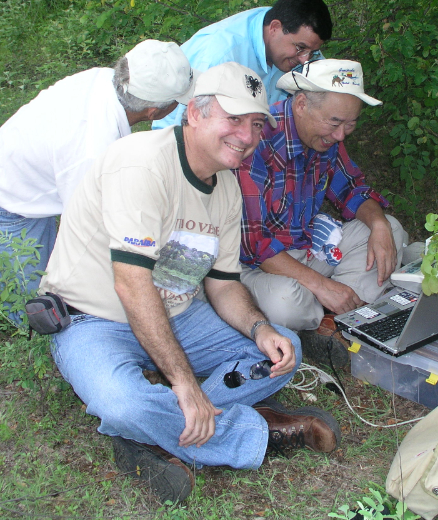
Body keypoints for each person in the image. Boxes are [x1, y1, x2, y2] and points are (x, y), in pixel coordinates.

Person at [38, 62, 340, 503]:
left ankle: (155, 434)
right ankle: (257, 430)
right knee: (121, 401)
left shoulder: (227, 187)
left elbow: (224, 284)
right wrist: (184, 382)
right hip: (93, 320)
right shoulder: (142, 164)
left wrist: (261, 329)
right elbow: (132, 284)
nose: (247, 135)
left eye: (257, 124)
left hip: (178, 315)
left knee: (283, 350)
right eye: (233, 119)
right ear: (195, 113)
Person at [0, 40, 196, 325]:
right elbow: (88, 231)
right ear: (153, 112)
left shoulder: (105, 79)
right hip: (3, 204)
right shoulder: (90, 148)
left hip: (32, 184)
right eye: (179, 102)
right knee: (37, 313)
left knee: (51, 288)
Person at [235, 59, 408, 367]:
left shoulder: (325, 137)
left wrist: (379, 224)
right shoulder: (256, 140)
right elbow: (255, 245)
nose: (341, 135)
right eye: (335, 123)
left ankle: (333, 319)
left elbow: (352, 189)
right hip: (258, 266)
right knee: (284, 303)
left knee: (390, 230)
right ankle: (334, 313)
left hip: (309, 248)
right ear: (301, 104)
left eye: (350, 125)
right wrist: (321, 285)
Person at [154, 0, 332, 129]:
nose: (304, 60)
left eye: (312, 52)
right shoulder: (221, 55)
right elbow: (184, 126)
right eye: (300, 48)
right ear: (274, 28)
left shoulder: (290, 34)